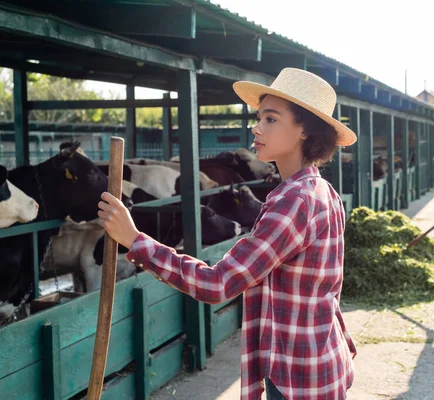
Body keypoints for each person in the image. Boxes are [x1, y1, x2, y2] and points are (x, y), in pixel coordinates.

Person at [97, 68, 358, 400]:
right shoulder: (321, 191)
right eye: (259, 117)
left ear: (305, 130)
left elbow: (218, 284)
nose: (257, 127)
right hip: (320, 362)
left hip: (298, 378)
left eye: (271, 119)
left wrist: (135, 240)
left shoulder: (294, 203)